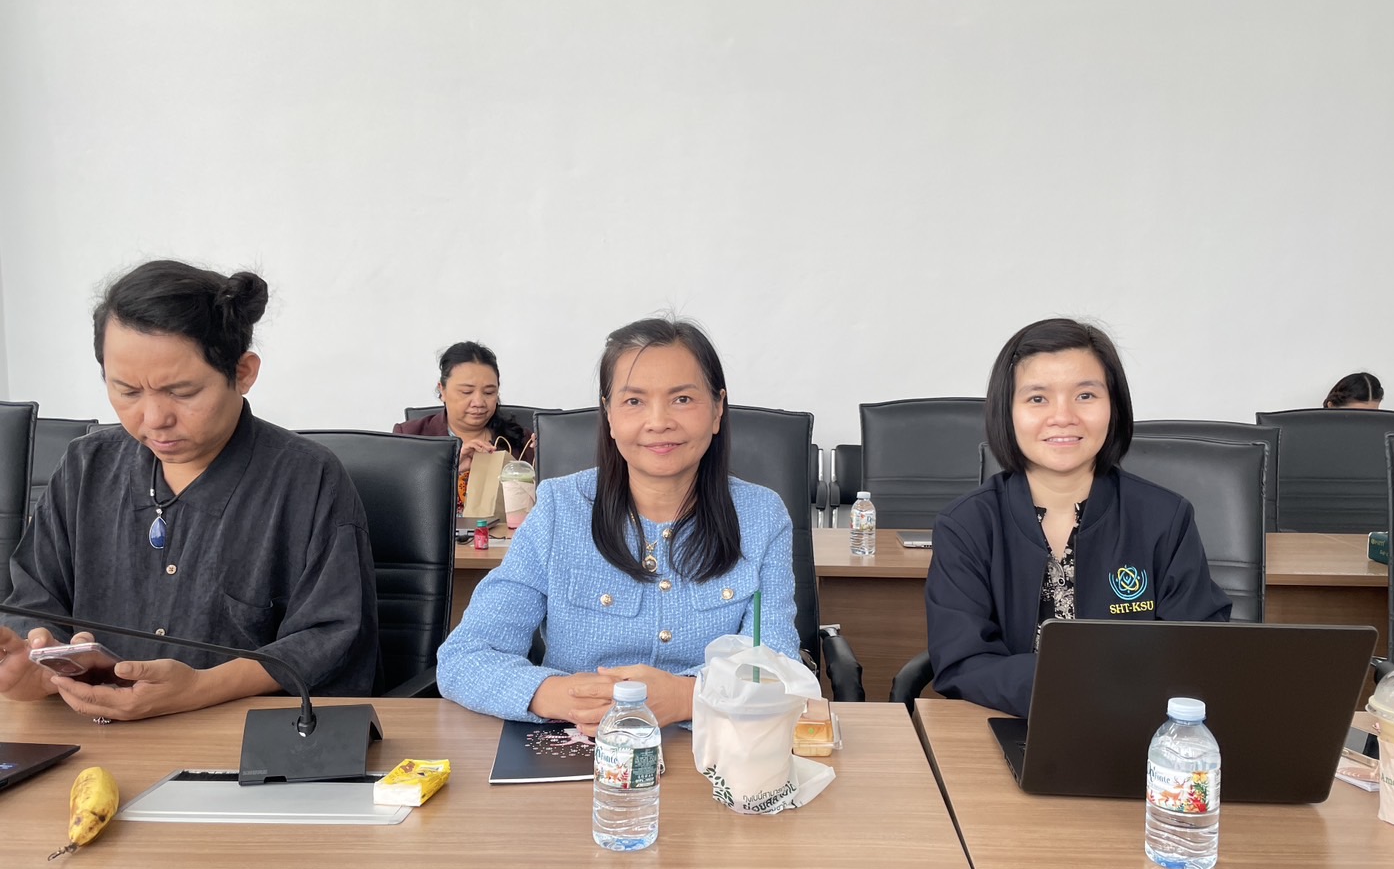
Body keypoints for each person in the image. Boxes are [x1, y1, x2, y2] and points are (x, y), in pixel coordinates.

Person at [0, 259, 379, 719]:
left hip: (235, 737)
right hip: (91, 731)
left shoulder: (308, 479)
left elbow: (330, 635)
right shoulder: (86, 466)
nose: (154, 418)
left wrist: (200, 688)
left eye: (181, 392)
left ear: (243, 372)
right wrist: (35, 662)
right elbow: (33, 600)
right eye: (127, 391)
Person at [437, 317, 799, 734]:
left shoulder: (761, 516)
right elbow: (465, 657)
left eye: (682, 399)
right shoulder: (559, 509)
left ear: (718, 409)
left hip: (717, 753)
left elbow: (779, 667)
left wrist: (686, 698)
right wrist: (560, 695)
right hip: (578, 751)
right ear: (608, 415)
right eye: (634, 401)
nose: (658, 421)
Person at [926, 318, 1230, 717]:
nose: (1063, 416)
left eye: (1085, 395)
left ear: (1113, 406)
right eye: (1038, 398)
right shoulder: (966, 525)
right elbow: (963, 662)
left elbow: (1200, 649)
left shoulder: (1165, 517)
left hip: (1138, 731)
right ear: (1007, 411)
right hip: (1007, 725)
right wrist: (1078, 685)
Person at [393, 342, 533, 513]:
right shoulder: (410, 437)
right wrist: (449, 470)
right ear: (442, 390)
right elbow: (396, 502)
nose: (479, 402)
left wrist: (546, 456)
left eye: (489, 393)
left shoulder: (521, 441)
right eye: (466, 392)